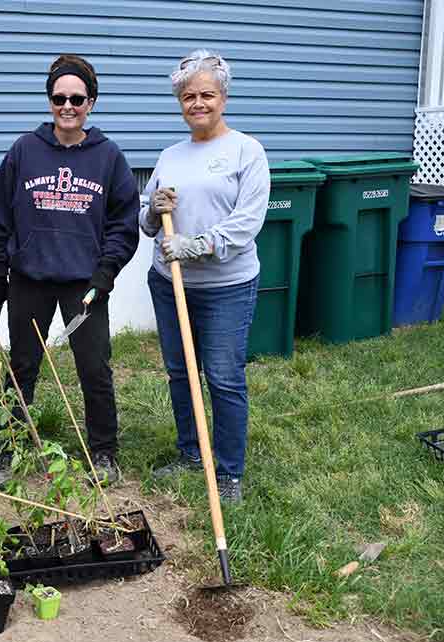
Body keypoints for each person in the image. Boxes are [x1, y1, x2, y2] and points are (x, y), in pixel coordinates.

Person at [0, 54, 139, 488]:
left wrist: (105, 273)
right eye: (58, 98)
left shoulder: (108, 157)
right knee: (22, 367)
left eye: (77, 98)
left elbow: (124, 223)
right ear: (49, 100)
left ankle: (104, 454)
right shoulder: (24, 151)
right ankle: (10, 450)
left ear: (91, 101)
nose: (67, 106)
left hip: (83, 286)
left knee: (94, 367)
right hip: (30, 279)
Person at [141, 49, 270, 504]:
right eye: (189, 96)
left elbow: (247, 222)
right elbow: (146, 216)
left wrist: (197, 244)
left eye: (207, 95)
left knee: (222, 376)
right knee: (181, 372)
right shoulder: (170, 154)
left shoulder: (246, 151)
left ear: (224, 98)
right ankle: (191, 453)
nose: (197, 103)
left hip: (226, 287)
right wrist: (154, 213)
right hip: (169, 281)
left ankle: (230, 471)